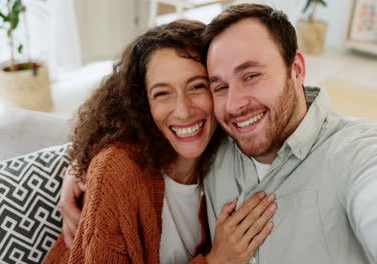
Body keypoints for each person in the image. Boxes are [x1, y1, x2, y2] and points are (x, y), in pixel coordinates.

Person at [61, 4, 377, 264]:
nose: (235, 104)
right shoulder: (139, 162)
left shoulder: (355, 153)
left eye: (250, 75)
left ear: (296, 68)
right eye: (219, 85)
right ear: (143, 103)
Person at [44, 19, 276, 264]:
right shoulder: (117, 171)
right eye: (162, 93)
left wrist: (77, 167)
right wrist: (216, 260)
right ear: (143, 104)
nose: (183, 111)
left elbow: (287, 100)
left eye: (197, 86)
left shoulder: (226, 151)